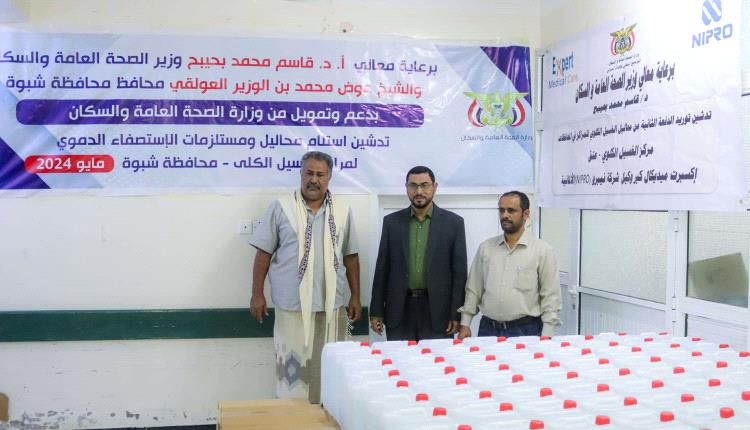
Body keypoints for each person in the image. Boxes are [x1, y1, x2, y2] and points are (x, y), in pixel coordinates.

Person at [248, 151, 361, 404]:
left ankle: (327, 413)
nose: (314, 180)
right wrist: (257, 294)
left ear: (329, 178)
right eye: (309, 173)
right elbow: (263, 253)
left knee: (330, 368)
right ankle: (292, 415)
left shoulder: (342, 211)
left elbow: (351, 256)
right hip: (292, 307)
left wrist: (355, 296)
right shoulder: (281, 207)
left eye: (320, 174)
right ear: (300, 174)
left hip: (332, 306)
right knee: (292, 372)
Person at [369, 166, 467, 341]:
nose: (419, 191)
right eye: (413, 185)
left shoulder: (454, 223)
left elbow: (459, 274)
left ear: (434, 187)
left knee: (436, 358)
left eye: (425, 185)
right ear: (406, 188)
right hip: (399, 311)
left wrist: (456, 313)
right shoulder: (392, 223)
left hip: (438, 312)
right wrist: (376, 310)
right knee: (399, 358)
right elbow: (382, 269)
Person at [458, 190, 561, 339]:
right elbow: (474, 289)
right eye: (501, 210)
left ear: (525, 214)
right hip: (488, 329)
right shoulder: (486, 248)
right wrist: (465, 323)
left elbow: (551, 296)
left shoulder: (542, 251)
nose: (505, 215)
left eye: (511, 210)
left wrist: (547, 333)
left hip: (526, 330)